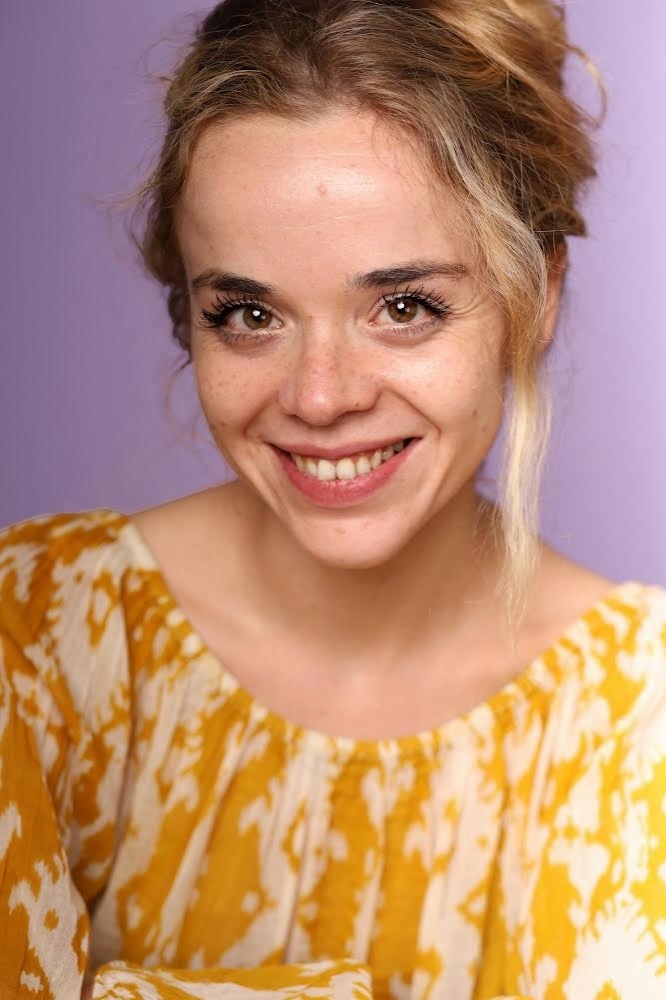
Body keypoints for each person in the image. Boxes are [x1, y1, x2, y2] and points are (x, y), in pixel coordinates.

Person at [1, 0, 664, 997]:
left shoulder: (642, 725)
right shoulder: (36, 638)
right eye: (248, 314)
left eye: (403, 306)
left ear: (538, 299)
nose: (319, 397)